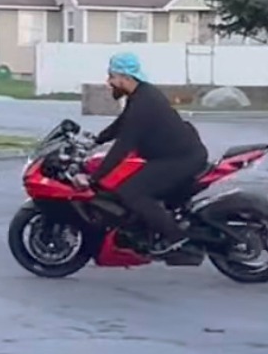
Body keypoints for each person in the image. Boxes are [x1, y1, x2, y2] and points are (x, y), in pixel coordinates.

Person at [89, 52, 209, 254]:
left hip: (181, 160)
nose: (109, 82)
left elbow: (123, 146)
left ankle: (177, 240)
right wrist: (96, 140)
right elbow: (122, 123)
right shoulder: (140, 94)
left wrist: (94, 178)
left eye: (112, 76)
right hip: (177, 155)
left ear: (125, 77)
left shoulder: (143, 103)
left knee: (131, 192)